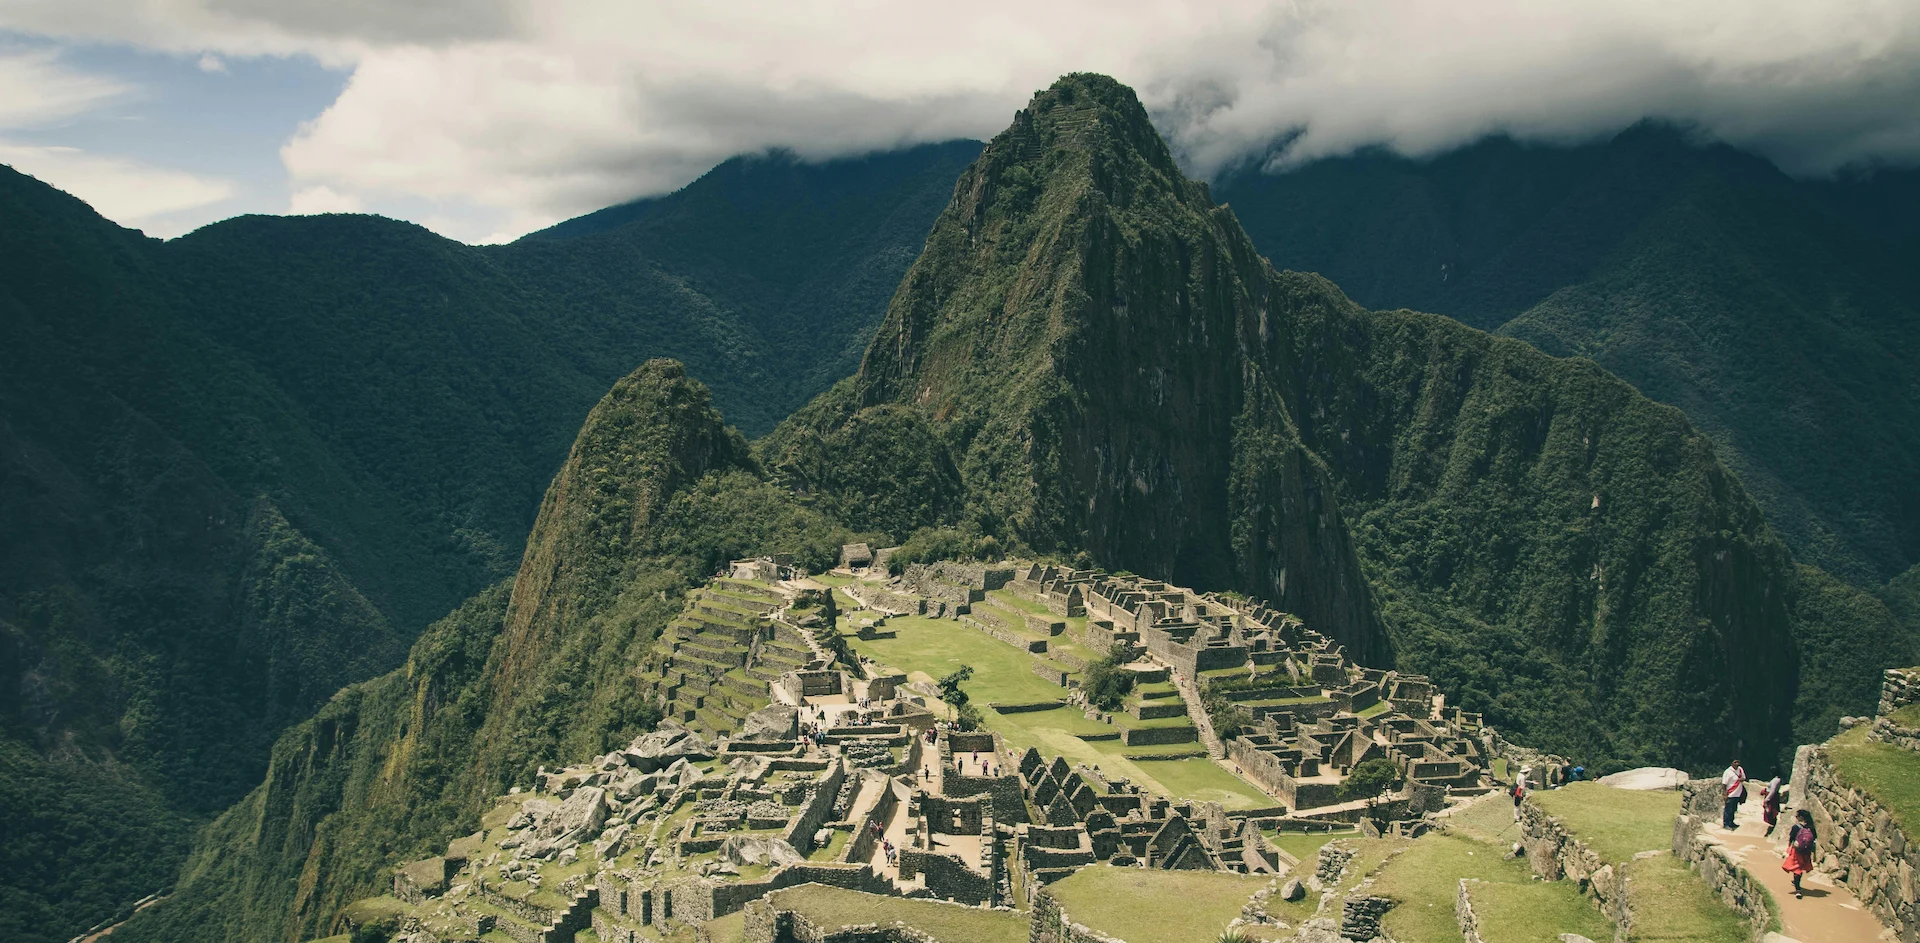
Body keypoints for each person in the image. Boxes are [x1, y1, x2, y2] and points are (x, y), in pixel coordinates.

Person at [1782, 808, 1816, 898]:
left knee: (1797, 869)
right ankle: (1796, 882)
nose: (1796, 817)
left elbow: (1791, 839)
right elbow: (1814, 839)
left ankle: (1798, 890)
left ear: (1801, 817)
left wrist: (1788, 848)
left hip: (1797, 851)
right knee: (1800, 868)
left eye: (1797, 816)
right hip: (1806, 852)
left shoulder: (1796, 827)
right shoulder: (1811, 827)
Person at [1722, 758, 1747, 830]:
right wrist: (1725, 794)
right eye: (1735, 762)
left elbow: (1744, 777)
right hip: (1731, 793)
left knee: (1734, 809)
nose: (1737, 764)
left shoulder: (1740, 769)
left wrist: (1742, 779)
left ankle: (1731, 822)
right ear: (1731, 763)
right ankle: (1726, 823)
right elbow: (1724, 784)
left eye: (1738, 762)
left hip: (1738, 793)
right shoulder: (1728, 772)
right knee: (1728, 809)